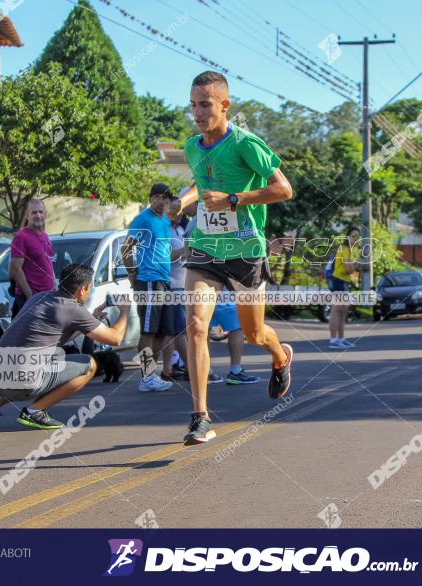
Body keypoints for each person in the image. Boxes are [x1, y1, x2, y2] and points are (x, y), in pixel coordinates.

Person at [169, 70, 294, 445]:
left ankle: (280, 355)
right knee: (195, 325)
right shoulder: (192, 146)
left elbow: (283, 189)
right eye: (193, 105)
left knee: (254, 333)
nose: (198, 112)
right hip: (206, 247)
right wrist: (184, 200)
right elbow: (200, 182)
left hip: (245, 251)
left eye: (205, 104)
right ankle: (200, 417)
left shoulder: (245, 143)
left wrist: (234, 199)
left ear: (225, 105)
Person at [0, 264, 130, 430]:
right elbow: (115, 339)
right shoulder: (72, 309)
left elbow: (53, 335)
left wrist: (93, 317)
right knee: (89, 365)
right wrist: (124, 311)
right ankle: (35, 411)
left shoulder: (39, 297)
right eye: (90, 288)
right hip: (22, 382)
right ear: (82, 290)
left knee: (36, 359)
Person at [121, 183, 177, 393]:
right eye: (157, 197)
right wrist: (132, 274)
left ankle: (151, 375)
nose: (161, 201)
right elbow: (126, 247)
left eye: (165, 198)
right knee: (148, 330)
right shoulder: (143, 219)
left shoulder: (164, 220)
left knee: (162, 332)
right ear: (150, 198)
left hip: (164, 280)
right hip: (149, 280)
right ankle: (146, 377)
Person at [9, 199, 55, 318]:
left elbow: (48, 263)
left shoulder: (44, 235)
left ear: (45, 214)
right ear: (27, 215)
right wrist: (30, 296)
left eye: (41, 212)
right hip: (30, 300)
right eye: (34, 212)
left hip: (47, 296)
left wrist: (54, 286)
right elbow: (15, 269)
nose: (38, 215)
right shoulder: (21, 237)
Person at [161, 213, 190, 381]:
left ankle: (168, 369)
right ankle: (190, 368)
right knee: (179, 330)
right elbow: (165, 256)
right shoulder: (165, 231)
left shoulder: (179, 229)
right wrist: (185, 250)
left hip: (182, 285)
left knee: (171, 330)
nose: (181, 214)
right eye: (177, 210)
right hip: (171, 285)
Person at [327, 227, 360, 349]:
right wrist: (356, 263)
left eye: (357, 236)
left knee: (343, 311)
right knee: (336, 310)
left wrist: (356, 263)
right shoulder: (345, 249)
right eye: (353, 235)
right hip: (338, 281)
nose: (355, 238)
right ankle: (333, 340)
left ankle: (341, 339)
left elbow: (351, 269)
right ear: (348, 237)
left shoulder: (349, 250)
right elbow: (350, 269)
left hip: (343, 282)